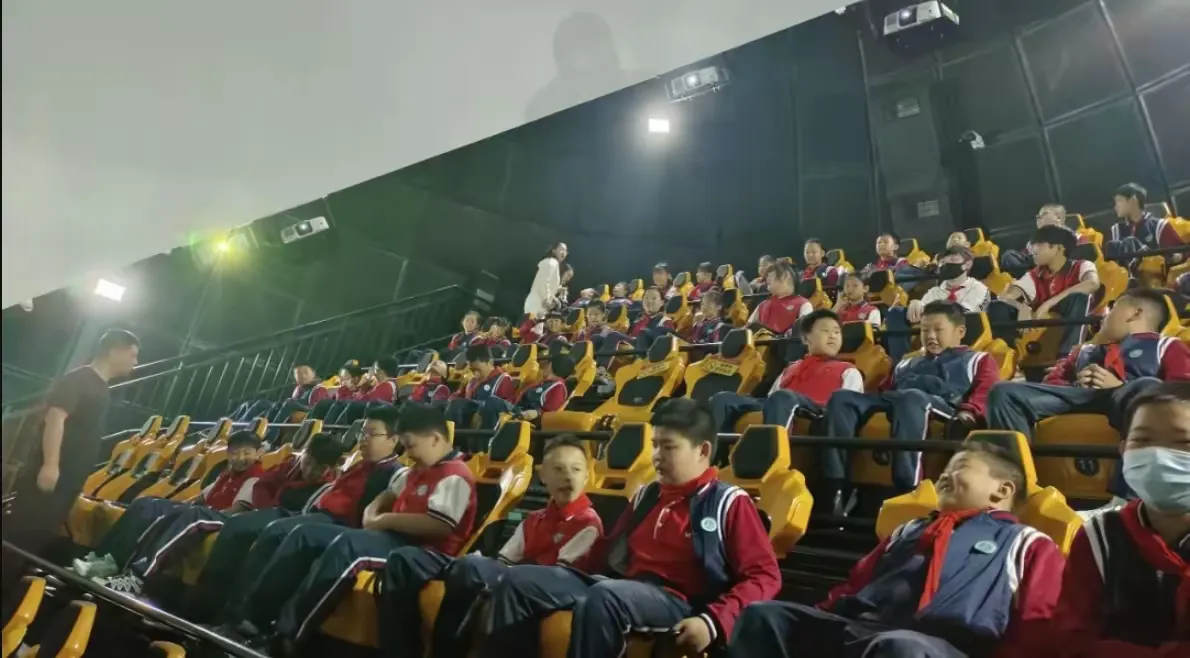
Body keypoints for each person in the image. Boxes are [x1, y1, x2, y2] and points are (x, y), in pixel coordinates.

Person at [479, 398, 780, 658]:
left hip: (679, 601)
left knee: (606, 597)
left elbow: (764, 576)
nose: (657, 456)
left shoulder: (728, 502)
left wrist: (713, 621)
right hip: (622, 586)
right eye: (655, 445)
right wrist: (561, 565)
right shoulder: (647, 495)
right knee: (519, 580)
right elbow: (607, 552)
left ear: (702, 451)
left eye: (668, 447)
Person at [731, 438, 1065, 658]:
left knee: (899, 649)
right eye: (945, 470)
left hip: (945, 647)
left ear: (1002, 490)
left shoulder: (1026, 543)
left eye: (959, 468)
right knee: (764, 617)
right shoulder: (910, 530)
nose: (944, 476)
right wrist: (820, 618)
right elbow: (854, 585)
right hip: (866, 629)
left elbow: (1039, 626)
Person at [242, 405, 476, 652]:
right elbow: (388, 494)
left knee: (349, 546)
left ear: (435, 439)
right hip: (389, 537)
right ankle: (257, 619)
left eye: (411, 446)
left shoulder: (454, 474)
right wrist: (373, 515)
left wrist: (383, 520)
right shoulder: (421, 470)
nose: (408, 453)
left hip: (422, 552)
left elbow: (440, 524)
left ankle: (288, 636)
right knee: (306, 535)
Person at [378, 436, 603, 658]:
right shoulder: (534, 518)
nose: (568, 477)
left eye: (576, 470)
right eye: (559, 469)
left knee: (472, 567)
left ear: (586, 476)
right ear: (543, 475)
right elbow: (505, 560)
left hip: (541, 585)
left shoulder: (588, 523)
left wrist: (486, 567)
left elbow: (557, 576)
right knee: (406, 559)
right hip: (512, 574)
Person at [187, 409, 403, 622]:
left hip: (338, 524)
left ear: (393, 440)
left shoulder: (393, 473)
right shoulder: (358, 465)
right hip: (311, 513)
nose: (363, 439)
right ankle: (206, 602)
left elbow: (367, 517)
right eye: (362, 433)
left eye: (371, 434)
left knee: (279, 532)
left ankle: (242, 616)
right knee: (238, 525)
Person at [986, 288, 1190, 501]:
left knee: (1147, 387)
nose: (1103, 316)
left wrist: (1122, 386)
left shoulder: (1167, 346)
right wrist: (1076, 382)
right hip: (1082, 396)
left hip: (1131, 399)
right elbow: (1054, 383)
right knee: (1004, 392)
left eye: (1112, 310)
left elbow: (1180, 393)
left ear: (1135, 313)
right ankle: (1017, 493)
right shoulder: (1084, 351)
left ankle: (1130, 498)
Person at [90, 434, 344, 596]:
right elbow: (263, 488)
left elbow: (275, 511)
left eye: (317, 467)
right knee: (158, 506)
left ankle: (138, 578)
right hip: (254, 518)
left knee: (195, 515)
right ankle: (111, 563)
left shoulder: (327, 489)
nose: (309, 469)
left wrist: (264, 513)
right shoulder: (285, 468)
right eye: (307, 462)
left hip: (248, 523)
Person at [1051, 382, 1190, 656]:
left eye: (1184, 442)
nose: (1158, 455)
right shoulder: (1099, 536)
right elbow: (1071, 637)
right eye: (1143, 441)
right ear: (1124, 449)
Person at [822, 302, 1000, 503]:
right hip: (897, 399)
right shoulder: (907, 361)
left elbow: (985, 392)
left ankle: (908, 490)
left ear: (960, 332)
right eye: (924, 330)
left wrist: (968, 413)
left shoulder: (978, 359)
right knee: (841, 398)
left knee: (911, 399)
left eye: (938, 330)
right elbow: (884, 390)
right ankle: (835, 489)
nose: (930, 336)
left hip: (943, 404)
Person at [3, 329, 139, 593]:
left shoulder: (102, 388)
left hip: (66, 483)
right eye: (132, 355)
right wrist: (50, 464)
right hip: (51, 479)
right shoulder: (79, 379)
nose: (135, 362)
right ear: (115, 350)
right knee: (18, 540)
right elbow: (55, 419)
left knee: (33, 544)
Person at [71, 429, 269, 582]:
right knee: (145, 503)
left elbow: (238, 509)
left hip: (218, 519)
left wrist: (186, 511)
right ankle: (101, 558)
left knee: (181, 512)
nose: (240, 458)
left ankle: (128, 571)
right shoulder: (226, 474)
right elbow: (199, 498)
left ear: (259, 453)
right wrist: (169, 506)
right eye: (234, 453)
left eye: (247, 453)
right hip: (201, 511)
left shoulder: (256, 477)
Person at [709, 310, 863, 433]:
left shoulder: (848, 370)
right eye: (825, 331)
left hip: (817, 410)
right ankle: (713, 457)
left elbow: (846, 412)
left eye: (837, 332)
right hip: (782, 402)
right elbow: (771, 399)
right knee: (723, 399)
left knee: (783, 397)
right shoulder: (791, 368)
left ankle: (772, 457)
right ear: (806, 339)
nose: (833, 336)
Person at [989, 225, 1100, 359]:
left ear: (1058, 248)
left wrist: (1049, 303)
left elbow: (1092, 284)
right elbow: (1004, 298)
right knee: (997, 306)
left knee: (1079, 297)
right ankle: (1008, 357)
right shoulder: (1034, 275)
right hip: (1039, 325)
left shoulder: (1081, 265)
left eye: (1039, 244)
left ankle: (1068, 357)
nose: (1032, 250)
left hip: (1072, 320)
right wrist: (1021, 307)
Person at [478, 354, 570, 428]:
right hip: (518, 410)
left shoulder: (558, 387)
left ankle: (485, 442)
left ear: (552, 366)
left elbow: (550, 414)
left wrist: (536, 413)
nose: (544, 366)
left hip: (526, 417)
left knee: (492, 402)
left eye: (548, 363)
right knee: (477, 405)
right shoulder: (544, 383)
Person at [444, 344, 517, 433]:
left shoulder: (503, 380)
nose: (476, 374)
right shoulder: (471, 381)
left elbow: (505, 407)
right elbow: (457, 397)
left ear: (490, 363)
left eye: (478, 370)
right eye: (472, 370)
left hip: (489, 423)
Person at [1001, 204, 1085, 276]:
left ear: (1058, 218)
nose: (1038, 218)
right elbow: (1026, 256)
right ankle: (1031, 277)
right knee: (1009, 255)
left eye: (1044, 214)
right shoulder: (1034, 241)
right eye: (1038, 216)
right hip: (1036, 266)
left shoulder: (1070, 235)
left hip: (1059, 265)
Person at [1107, 183, 1183, 263]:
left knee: (1130, 241)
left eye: (1119, 201)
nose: (1116, 206)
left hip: (1155, 270)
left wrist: (1177, 257)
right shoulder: (1115, 231)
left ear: (1133, 200)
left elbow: (1179, 254)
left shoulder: (1160, 226)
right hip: (1124, 271)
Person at [911, 247, 990, 319]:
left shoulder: (979, 288)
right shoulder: (934, 292)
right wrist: (917, 304)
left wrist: (930, 309)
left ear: (967, 264)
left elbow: (962, 314)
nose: (947, 265)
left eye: (953, 260)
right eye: (943, 262)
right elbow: (924, 315)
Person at [230, 364, 321, 422]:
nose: (303, 375)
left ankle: (238, 428)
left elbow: (314, 407)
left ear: (313, 373)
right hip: (289, 407)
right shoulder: (299, 388)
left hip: (304, 409)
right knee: (249, 404)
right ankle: (229, 423)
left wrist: (291, 402)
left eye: (305, 372)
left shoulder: (318, 388)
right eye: (299, 373)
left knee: (267, 404)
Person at [749, 259, 813, 335]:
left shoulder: (803, 304)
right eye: (767, 276)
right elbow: (747, 330)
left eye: (771, 275)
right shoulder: (762, 305)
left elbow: (806, 331)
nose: (767, 278)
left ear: (785, 276)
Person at [525, 243, 568, 316]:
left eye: (566, 251)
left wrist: (557, 291)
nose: (564, 252)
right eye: (561, 249)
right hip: (537, 304)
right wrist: (546, 299)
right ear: (554, 250)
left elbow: (547, 284)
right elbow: (544, 281)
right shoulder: (551, 262)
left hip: (538, 304)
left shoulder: (553, 263)